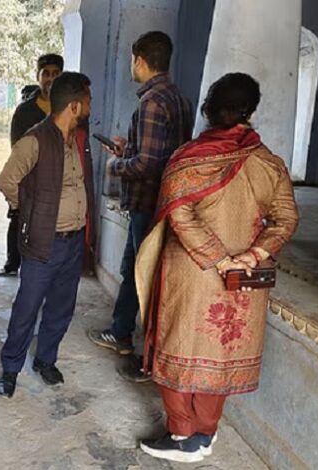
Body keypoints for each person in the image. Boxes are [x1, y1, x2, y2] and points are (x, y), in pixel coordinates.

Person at [134, 73, 299, 462]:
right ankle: (206, 433)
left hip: (192, 274)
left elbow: (181, 216)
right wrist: (253, 256)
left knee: (177, 348)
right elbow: (286, 218)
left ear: (208, 110)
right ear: (251, 111)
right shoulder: (269, 164)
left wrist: (217, 258)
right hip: (241, 282)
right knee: (221, 355)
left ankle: (181, 435)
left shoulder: (188, 158)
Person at [88, 32, 193, 379]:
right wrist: (127, 148)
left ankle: (150, 357)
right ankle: (120, 333)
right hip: (166, 202)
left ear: (141, 60)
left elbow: (148, 164)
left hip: (149, 203)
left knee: (145, 277)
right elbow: (163, 154)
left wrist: (115, 165)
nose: (132, 66)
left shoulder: (151, 103)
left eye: (133, 60)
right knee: (137, 270)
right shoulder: (178, 98)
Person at [0, 72, 94, 398]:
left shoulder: (79, 138)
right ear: (75, 106)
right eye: (88, 101)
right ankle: (11, 368)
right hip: (44, 241)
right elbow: (7, 181)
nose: (91, 106)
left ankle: (45, 360)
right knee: (28, 306)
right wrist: (31, 211)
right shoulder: (34, 140)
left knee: (61, 307)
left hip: (74, 240)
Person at [0, 53, 64, 277]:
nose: (50, 79)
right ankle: (13, 263)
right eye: (46, 74)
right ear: (38, 76)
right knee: (19, 218)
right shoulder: (26, 110)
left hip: (59, 177)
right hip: (30, 177)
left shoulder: (67, 107)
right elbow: (17, 146)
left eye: (55, 74)